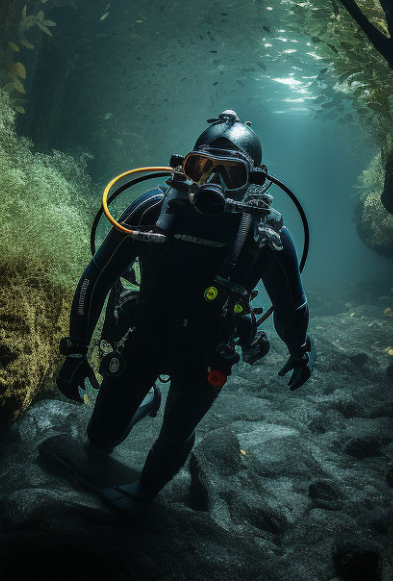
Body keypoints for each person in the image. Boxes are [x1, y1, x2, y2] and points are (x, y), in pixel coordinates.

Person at [54, 110, 313, 508]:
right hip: (144, 339)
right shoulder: (153, 210)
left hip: (207, 355)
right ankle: (144, 402)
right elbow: (96, 278)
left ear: (255, 179)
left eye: (231, 173)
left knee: (176, 432)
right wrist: (75, 350)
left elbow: (290, 307)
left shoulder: (267, 236)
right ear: (184, 166)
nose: (213, 183)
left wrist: (300, 349)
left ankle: (144, 493)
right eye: (202, 167)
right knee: (99, 438)